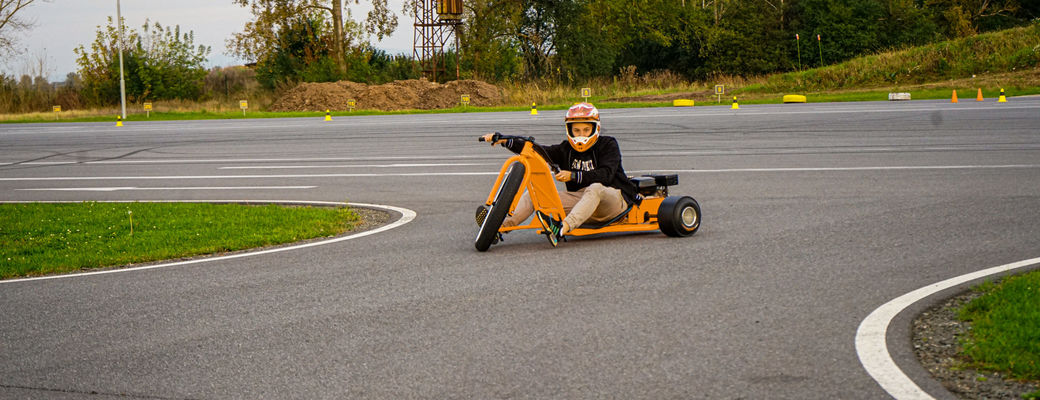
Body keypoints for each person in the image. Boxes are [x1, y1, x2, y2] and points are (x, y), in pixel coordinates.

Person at [480, 102, 641, 247]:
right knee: (534, 194)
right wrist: (506, 141)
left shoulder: (608, 144)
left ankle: (561, 228)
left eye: (586, 130)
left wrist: (572, 176)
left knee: (595, 188)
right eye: (576, 130)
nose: (581, 135)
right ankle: (498, 227)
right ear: (569, 129)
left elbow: (606, 175)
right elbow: (538, 151)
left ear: (595, 128)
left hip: (614, 200)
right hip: (581, 200)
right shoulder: (565, 149)